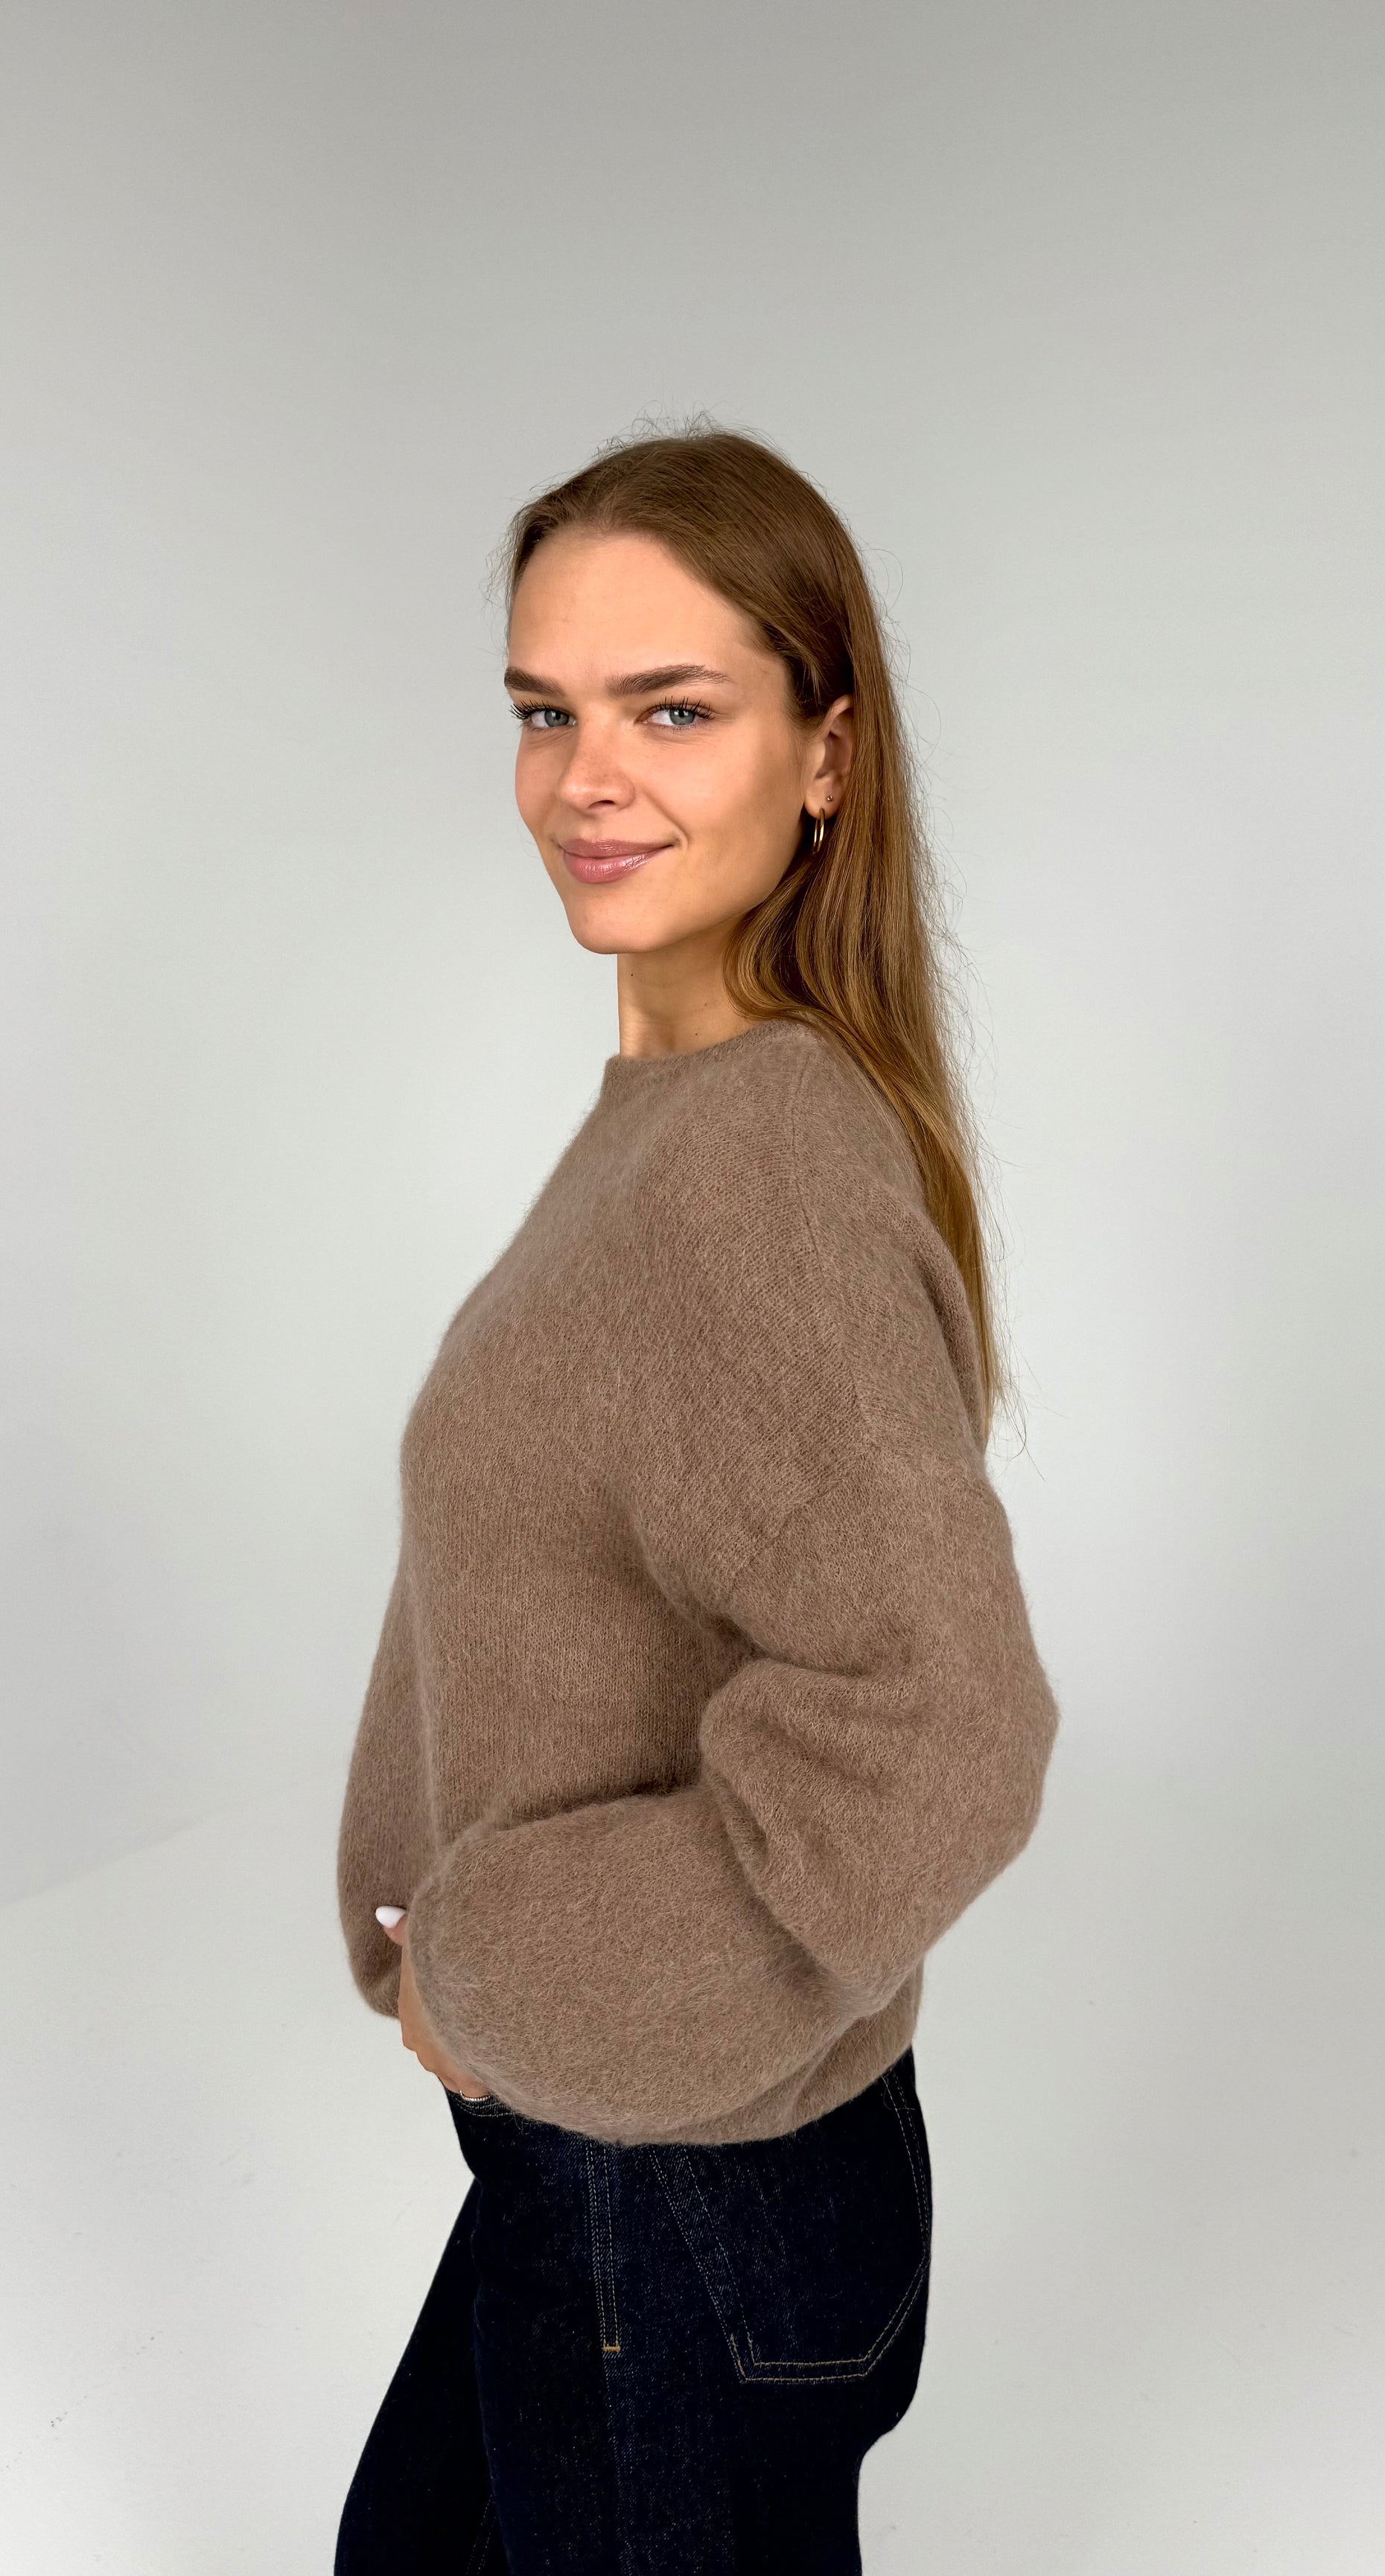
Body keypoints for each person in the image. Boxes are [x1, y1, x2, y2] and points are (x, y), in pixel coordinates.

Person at [333, 425, 1059, 2575]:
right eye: (542, 711)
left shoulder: (754, 1168)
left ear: (824, 753)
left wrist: (491, 1965)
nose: (584, 780)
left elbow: (944, 1730)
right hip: (638, 2169)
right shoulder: (681, 1110)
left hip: (681, 2199)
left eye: (670, 711)